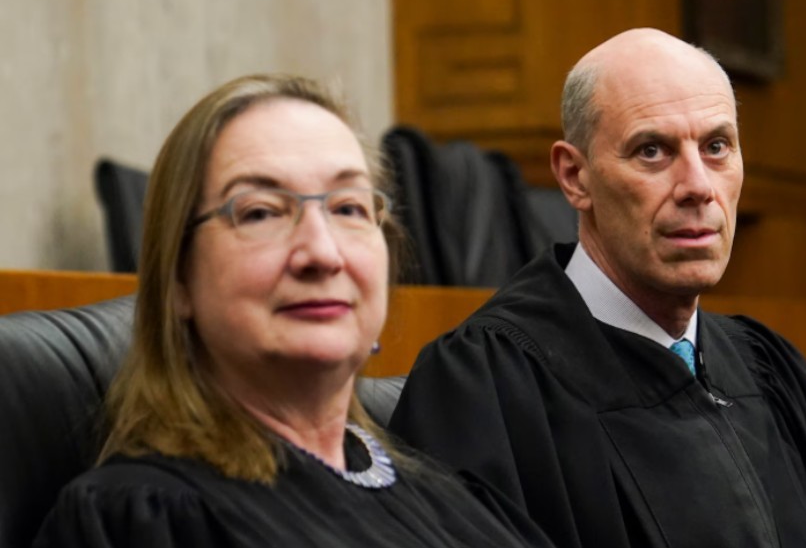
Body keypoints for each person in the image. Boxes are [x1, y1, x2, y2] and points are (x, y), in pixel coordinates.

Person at [389, 28, 806, 548]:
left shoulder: (769, 371)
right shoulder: (484, 389)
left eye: (716, 147)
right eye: (652, 151)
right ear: (575, 176)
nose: (698, 186)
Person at [32, 74, 555, 548]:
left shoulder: (455, 495)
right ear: (177, 280)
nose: (322, 253)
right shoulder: (140, 520)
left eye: (349, 207)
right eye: (261, 212)